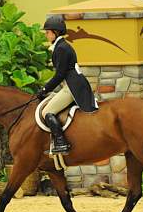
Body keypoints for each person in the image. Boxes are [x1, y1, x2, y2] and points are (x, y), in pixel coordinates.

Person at [37, 16, 98, 154]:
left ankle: (61, 142)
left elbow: (59, 75)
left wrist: (44, 89)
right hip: (71, 84)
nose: (46, 35)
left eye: (47, 32)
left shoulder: (62, 48)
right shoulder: (61, 46)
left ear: (55, 32)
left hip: (72, 87)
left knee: (47, 112)